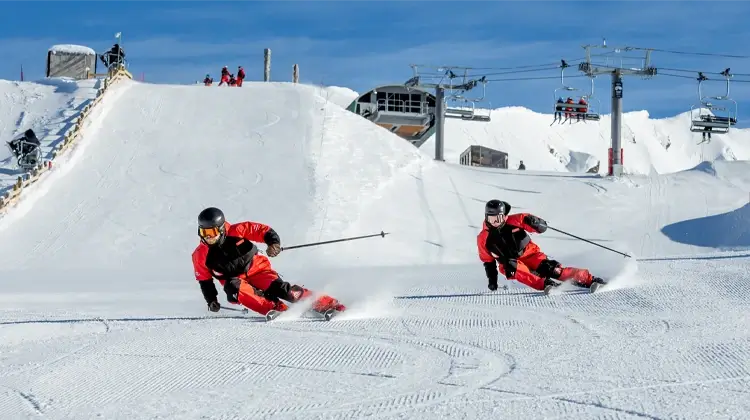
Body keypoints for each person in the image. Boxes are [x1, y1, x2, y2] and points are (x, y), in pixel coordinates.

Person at [191, 207, 345, 316]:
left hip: (258, 270)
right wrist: (211, 300)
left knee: (283, 290)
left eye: (212, 232)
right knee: (233, 288)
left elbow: (263, 231)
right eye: (204, 232)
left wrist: (273, 244)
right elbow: (205, 281)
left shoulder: (237, 231)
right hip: (236, 281)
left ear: (222, 228)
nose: (208, 237)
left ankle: (329, 304)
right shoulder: (200, 254)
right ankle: (276, 308)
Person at [477, 199, 606, 292]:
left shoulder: (515, 220)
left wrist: (536, 223)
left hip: (531, 254)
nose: (494, 223)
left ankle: (589, 279)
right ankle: (545, 284)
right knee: (513, 266)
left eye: (498, 219)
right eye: (491, 219)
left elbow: (538, 226)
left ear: (504, 217)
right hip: (510, 263)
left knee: (552, 270)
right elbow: (488, 262)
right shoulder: (483, 238)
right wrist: (492, 281)